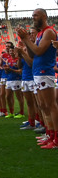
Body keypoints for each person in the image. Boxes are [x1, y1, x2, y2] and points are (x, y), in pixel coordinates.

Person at [16, 8, 58, 149]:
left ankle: (56, 138)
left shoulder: (49, 32)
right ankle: (50, 134)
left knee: (50, 105)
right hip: (37, 72)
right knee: (43, 106)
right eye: (33, 15)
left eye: (36, 15)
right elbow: (34, 55)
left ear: (44, 16)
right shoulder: (40, 33)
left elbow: (40, 51)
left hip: (44, 71)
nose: (33, 17)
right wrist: (25, 42)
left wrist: (26, 39)